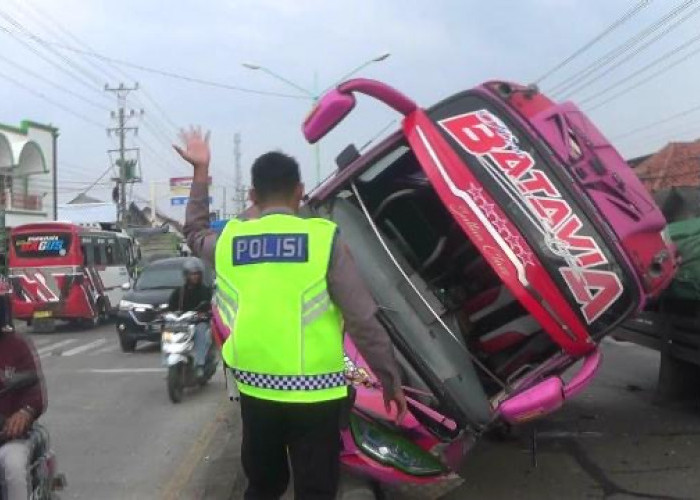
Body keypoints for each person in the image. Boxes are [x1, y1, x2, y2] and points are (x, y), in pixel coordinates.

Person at [174, 127, 407, 500]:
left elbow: (194, 231)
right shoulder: (323, 239)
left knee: (263, 486)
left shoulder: (230, 241)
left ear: (252, 195)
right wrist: (390, 380)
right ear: (299, 193)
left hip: (256, 391)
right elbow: (363, 320)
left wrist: (201, 172)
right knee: (316, 489)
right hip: (317, 396)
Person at [0, 326, 46, 500]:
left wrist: (25, 412)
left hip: (9, 437)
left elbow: (35, 394)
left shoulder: (17, 345)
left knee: (13, 468)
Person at [167, 257, 212, 378]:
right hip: (183, 322)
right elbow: (170, 307)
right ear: (186, 275)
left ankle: (200, 365)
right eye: (192, 274)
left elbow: (211, 306)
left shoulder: (205, 290)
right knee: (168, 332)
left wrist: (206, 313)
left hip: (199, 322)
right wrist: (167, 314)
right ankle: (170, 361)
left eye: (197, 274)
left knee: (200, 331)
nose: (195, 276)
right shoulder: (179, 292)